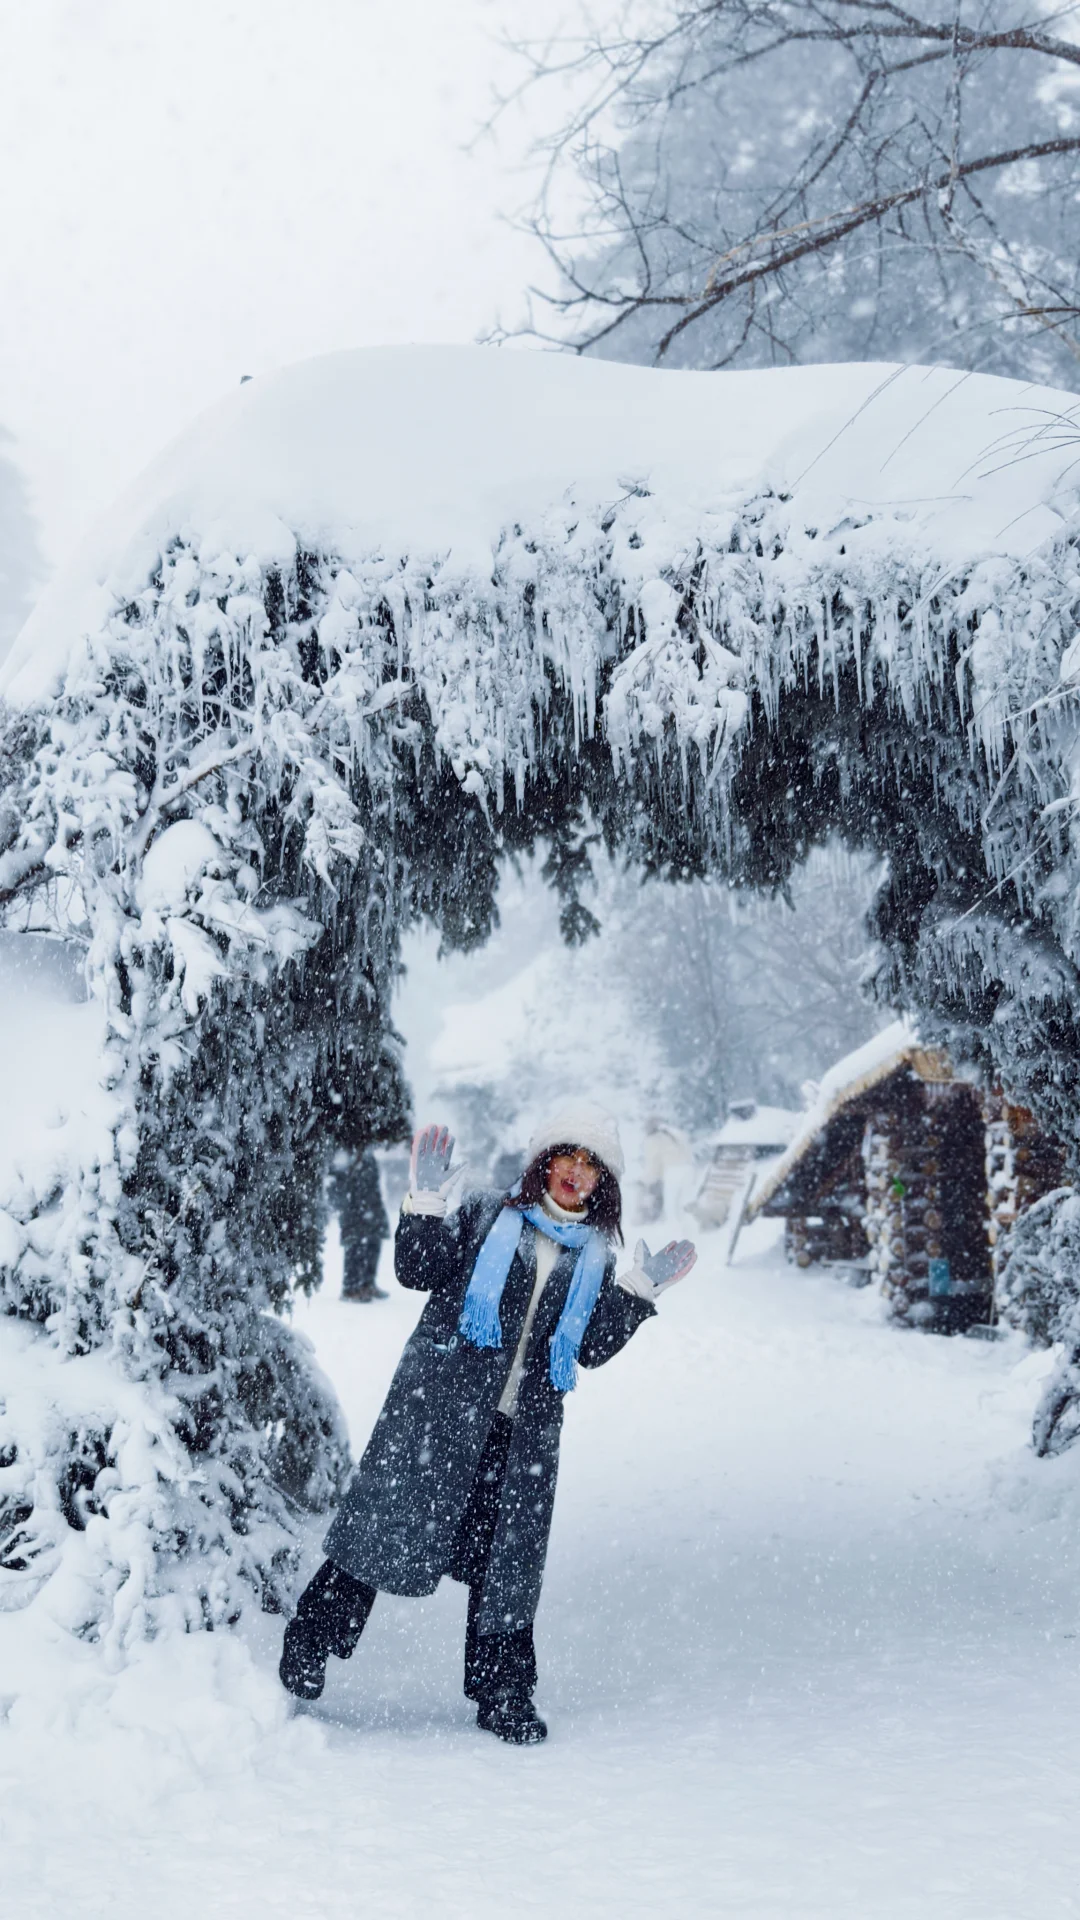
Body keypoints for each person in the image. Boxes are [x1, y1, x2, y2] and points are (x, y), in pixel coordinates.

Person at [280, 1101, 697, 1744]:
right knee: (387, 1526)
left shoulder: (594, 1259)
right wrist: (424, 1203)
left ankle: (503, 1692)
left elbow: (588, 1346)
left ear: (603, 1183)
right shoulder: (484, 1214)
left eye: (591, 1165)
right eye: (566, 1155)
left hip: (521, 1431)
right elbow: (417, 1270)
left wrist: (639, 1291)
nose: (575, 1172)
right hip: (438, 1413)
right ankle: (311, 1641)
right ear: (543, 1162)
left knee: (508, 1563)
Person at [328, 1146, 390, 1302]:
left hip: (371, 1206)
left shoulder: (368, 1155)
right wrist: (347, 1206)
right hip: (353, 1209)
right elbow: (337, 1185)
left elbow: (373, 1182)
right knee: (354, 1246)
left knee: (373, 1243)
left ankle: (367, 1284)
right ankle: (350, 1288)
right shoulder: (343, 1155)